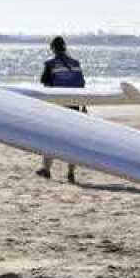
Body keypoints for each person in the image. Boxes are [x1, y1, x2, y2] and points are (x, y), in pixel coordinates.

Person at [36, 35, 87, 183]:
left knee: (51, 137)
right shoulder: (76, 63)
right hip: (75, 104)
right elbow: (82, 84)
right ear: (65, 47)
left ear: (52, 48)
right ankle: (71, 172)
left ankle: (46, 169)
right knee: (72, 140)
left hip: (58, 104)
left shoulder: (50, 64)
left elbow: (45, 82)